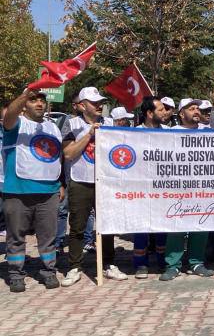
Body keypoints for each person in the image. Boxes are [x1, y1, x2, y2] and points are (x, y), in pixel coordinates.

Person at [61, 87, 125, 286]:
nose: (99, 105)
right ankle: (74, 267)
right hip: (80, 180)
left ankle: (109, 264)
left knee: (107, 225)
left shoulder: (110, 123)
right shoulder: (71, 124)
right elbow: (69, 154)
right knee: (78, 226)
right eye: (94, 102)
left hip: (106, 181)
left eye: (100, 102)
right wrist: (89, 135)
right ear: (82, 105)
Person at [2, 88, 64, 292]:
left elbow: (57, 157)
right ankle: (16, 274)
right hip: (18, 191)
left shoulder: (52, 127)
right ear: (25, 104)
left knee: (48, 237)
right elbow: (9, 115)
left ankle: (48, 271)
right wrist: (23, 95)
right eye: (33, 100)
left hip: (49, 191)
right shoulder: (16, 124)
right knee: (16, 236)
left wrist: (61, 183)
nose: (39, 104)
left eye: (42, 100)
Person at [160, 98, 214, 280]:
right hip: (178, 189)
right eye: (191, 109)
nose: (196, 111)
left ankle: (196, 262)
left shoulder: (207, 131)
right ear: (181, 113)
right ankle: (173, 265)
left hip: (202, 188)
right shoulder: (170, 133)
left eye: (198, 108)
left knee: (201, 225)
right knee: (177, 227)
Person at [131, 96, 168, 278]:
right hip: (141, 190)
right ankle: (141, 265)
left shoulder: (170, 133)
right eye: (160, 110)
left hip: (163, 189)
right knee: (141, 228)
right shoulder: (134, 134)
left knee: (163, 228)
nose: (165, 112)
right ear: (149, 113)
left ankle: (162, 261)